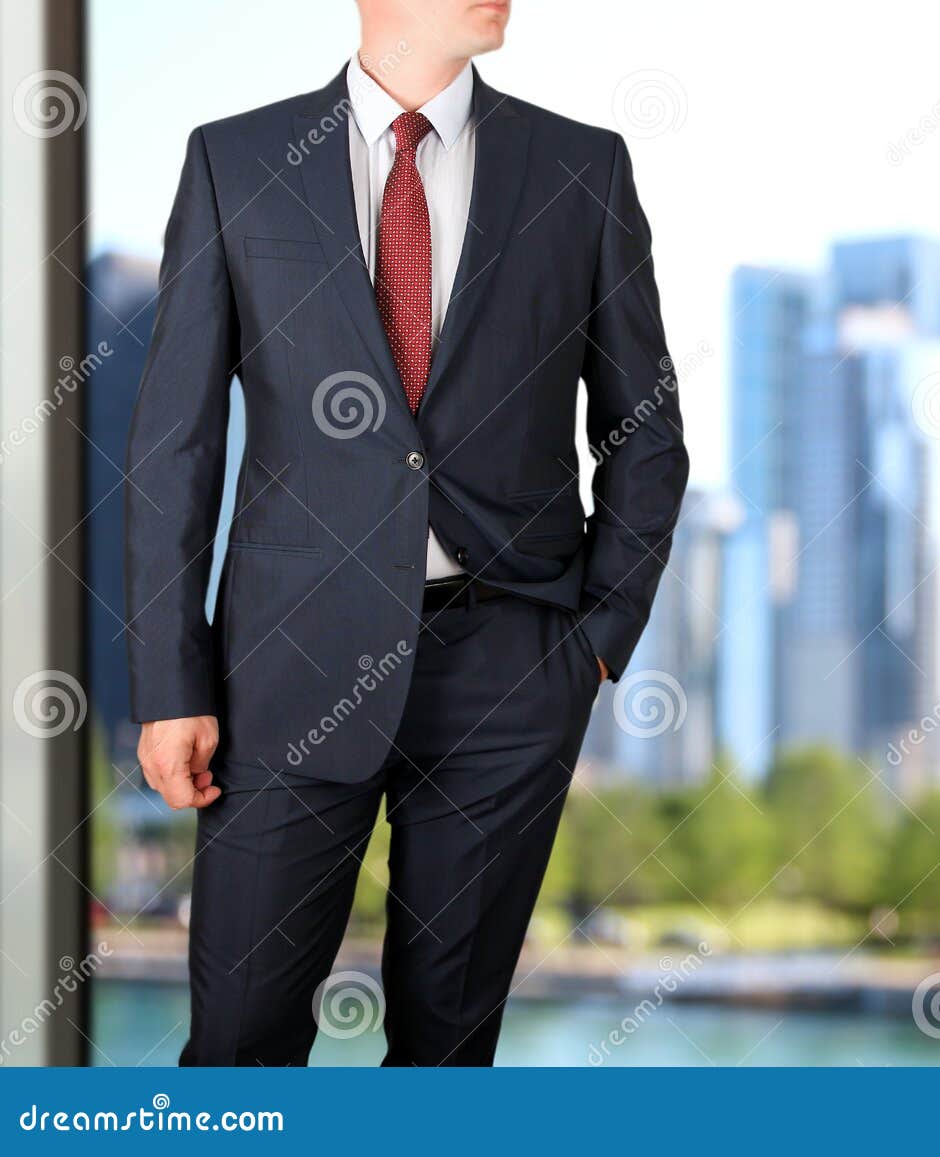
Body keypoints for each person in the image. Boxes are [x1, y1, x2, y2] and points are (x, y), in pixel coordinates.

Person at [124, 0, 688, 1065]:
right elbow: (174, 449)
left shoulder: (581, 165)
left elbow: (645, 436)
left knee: (448, 1047)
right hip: (281, 671)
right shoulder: (235, 162)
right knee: (239, 1040)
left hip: (511, 668)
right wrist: (170, 682)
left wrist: (595, 641)